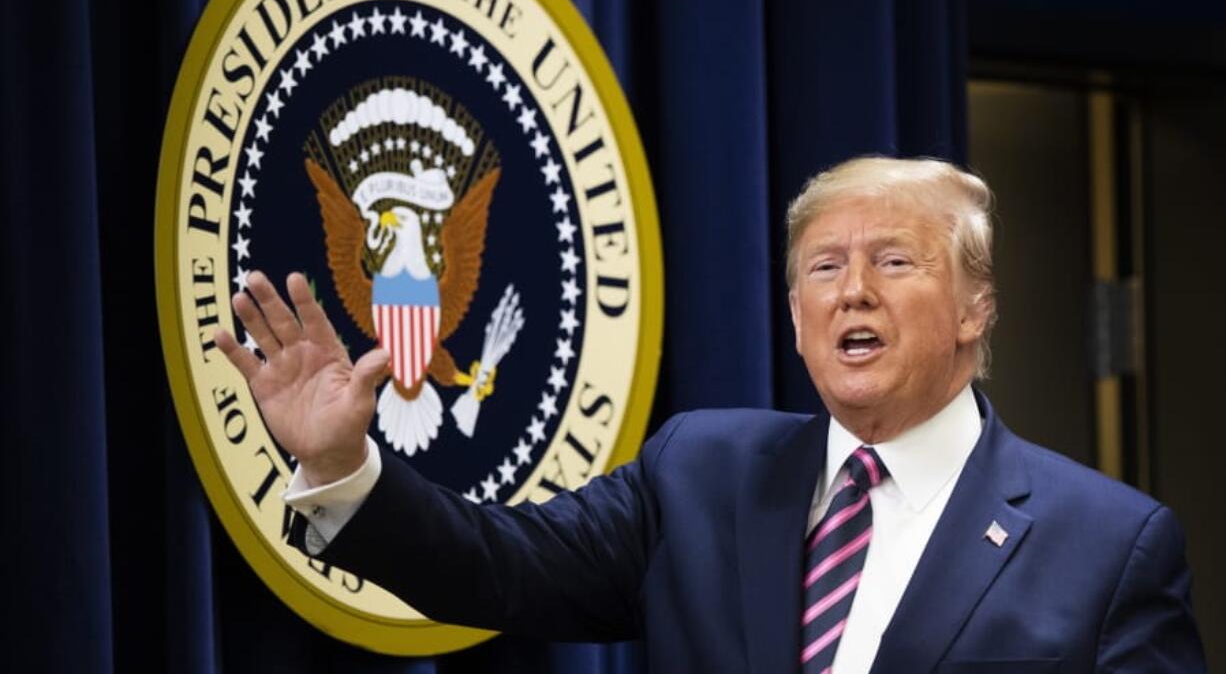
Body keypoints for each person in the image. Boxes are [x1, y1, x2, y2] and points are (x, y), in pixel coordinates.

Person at [216, 156, 1206, 673]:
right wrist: (347, 462)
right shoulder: (701, 470)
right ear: (792, 314)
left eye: (891, 261)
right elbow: (496, 567)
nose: (849, 290)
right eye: (823, 267)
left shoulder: (1107, 547)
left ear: (972, 310)